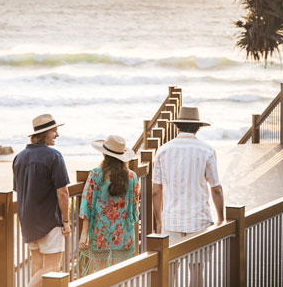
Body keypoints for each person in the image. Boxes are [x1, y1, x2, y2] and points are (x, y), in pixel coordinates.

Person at [152, 106, 225, 286]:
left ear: (178, 126)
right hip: (198, 219)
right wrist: (221, 218)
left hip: (171, 219)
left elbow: (155, 190)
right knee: (196, 269)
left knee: (170, 267)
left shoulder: (163, 150)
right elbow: (216, 188)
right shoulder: (206, 150)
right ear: (198, 127)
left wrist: (159, 221)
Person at [13, 114, 71, 287]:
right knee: (53, 266)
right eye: (55, 131)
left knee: (37, 265)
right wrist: (66, 221)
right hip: (49, 219)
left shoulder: (19, 157)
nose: (57, 135)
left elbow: (19, 189)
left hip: (27, 220)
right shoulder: (54, 156)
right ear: (45, 133)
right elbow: (63, 192)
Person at [78, 135, 141, 276]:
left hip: (100, 230)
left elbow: (87, 204)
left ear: (104, 154)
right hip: (123, 230)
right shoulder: (132, 177)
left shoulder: (95, 174)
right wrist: (133, 234)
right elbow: (134, 208)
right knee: (119, 271)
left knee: (101, 270)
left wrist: (84, 234)